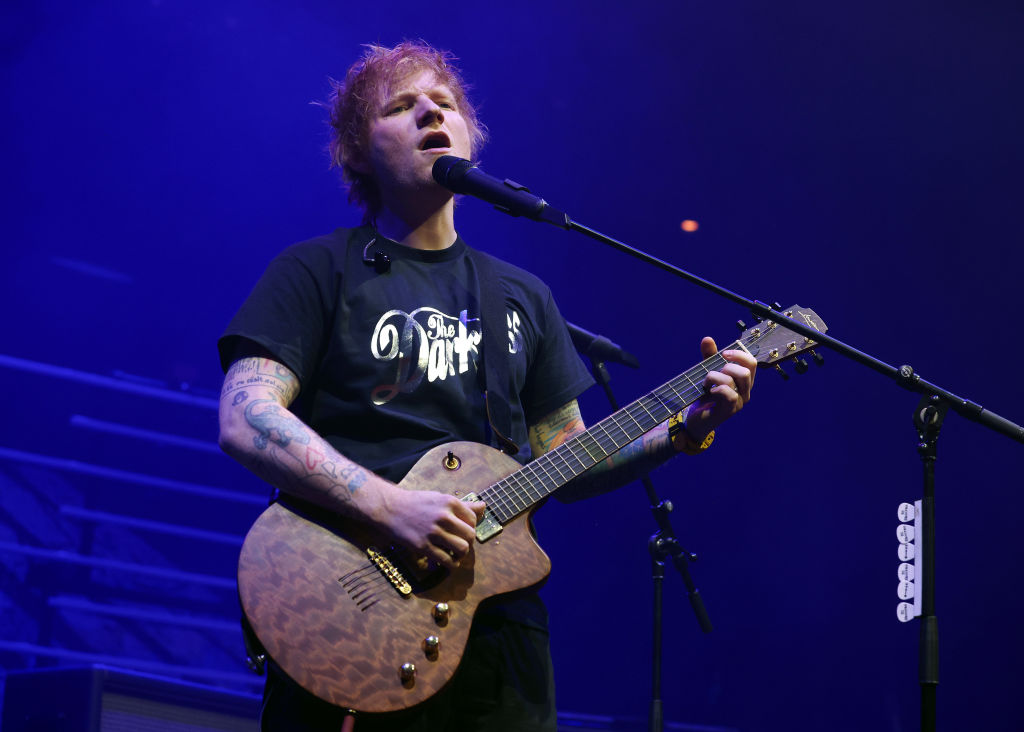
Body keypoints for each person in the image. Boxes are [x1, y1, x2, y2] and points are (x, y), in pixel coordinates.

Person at [217, 41, 756, 732]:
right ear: (356, 149)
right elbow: (245, 416)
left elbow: (570, 460)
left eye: (444, 104)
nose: (430, 115)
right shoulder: (317, 271)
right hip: (343, 613)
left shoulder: (520, 297)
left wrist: (686, 428)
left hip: (494, 634)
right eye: (402, 106)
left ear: (470, 134)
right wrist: (391, 508)